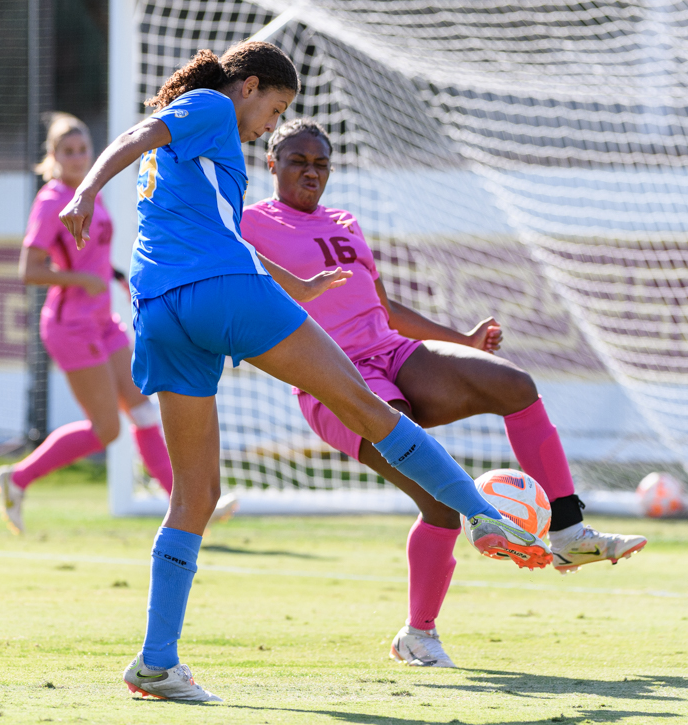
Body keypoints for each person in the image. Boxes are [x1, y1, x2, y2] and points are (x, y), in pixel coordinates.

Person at [57, 42, 548, 703]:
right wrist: (87, 185)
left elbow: (220, 233)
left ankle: (156, 661)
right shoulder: (208, 105)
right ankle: (482, 513)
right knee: (370, 409)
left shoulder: (198, 153)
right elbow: (143, 130)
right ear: (249, 85)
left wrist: (298, 283)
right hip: (221, 295)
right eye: (276, 108)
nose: (268, 123)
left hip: (159, 310)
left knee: (195, 495)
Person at [240, 118, 648, 669]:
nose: (310, 171)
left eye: (320, 163)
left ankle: (569, 529)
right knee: (436, 499)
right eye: (297, 161)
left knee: (514, 385)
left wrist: (462, 340)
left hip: (391, 353)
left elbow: (382, 310)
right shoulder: (249, 224)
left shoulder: (345, 222)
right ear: (272, 164)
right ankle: (419, 633)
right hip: (332, 379)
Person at [0, 114, 237, 534]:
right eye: (67, 151)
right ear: (52, 157)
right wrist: (82, 279)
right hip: (71, 326)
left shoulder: (91, 193)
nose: (76, 157)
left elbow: (92, 254)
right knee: (106, 430)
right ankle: (17, 477)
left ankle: (191, 512)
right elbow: (29, 270)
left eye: (82, 149)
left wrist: (115, 276)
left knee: (144, 413)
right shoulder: (51, 201)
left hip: (103, 321)